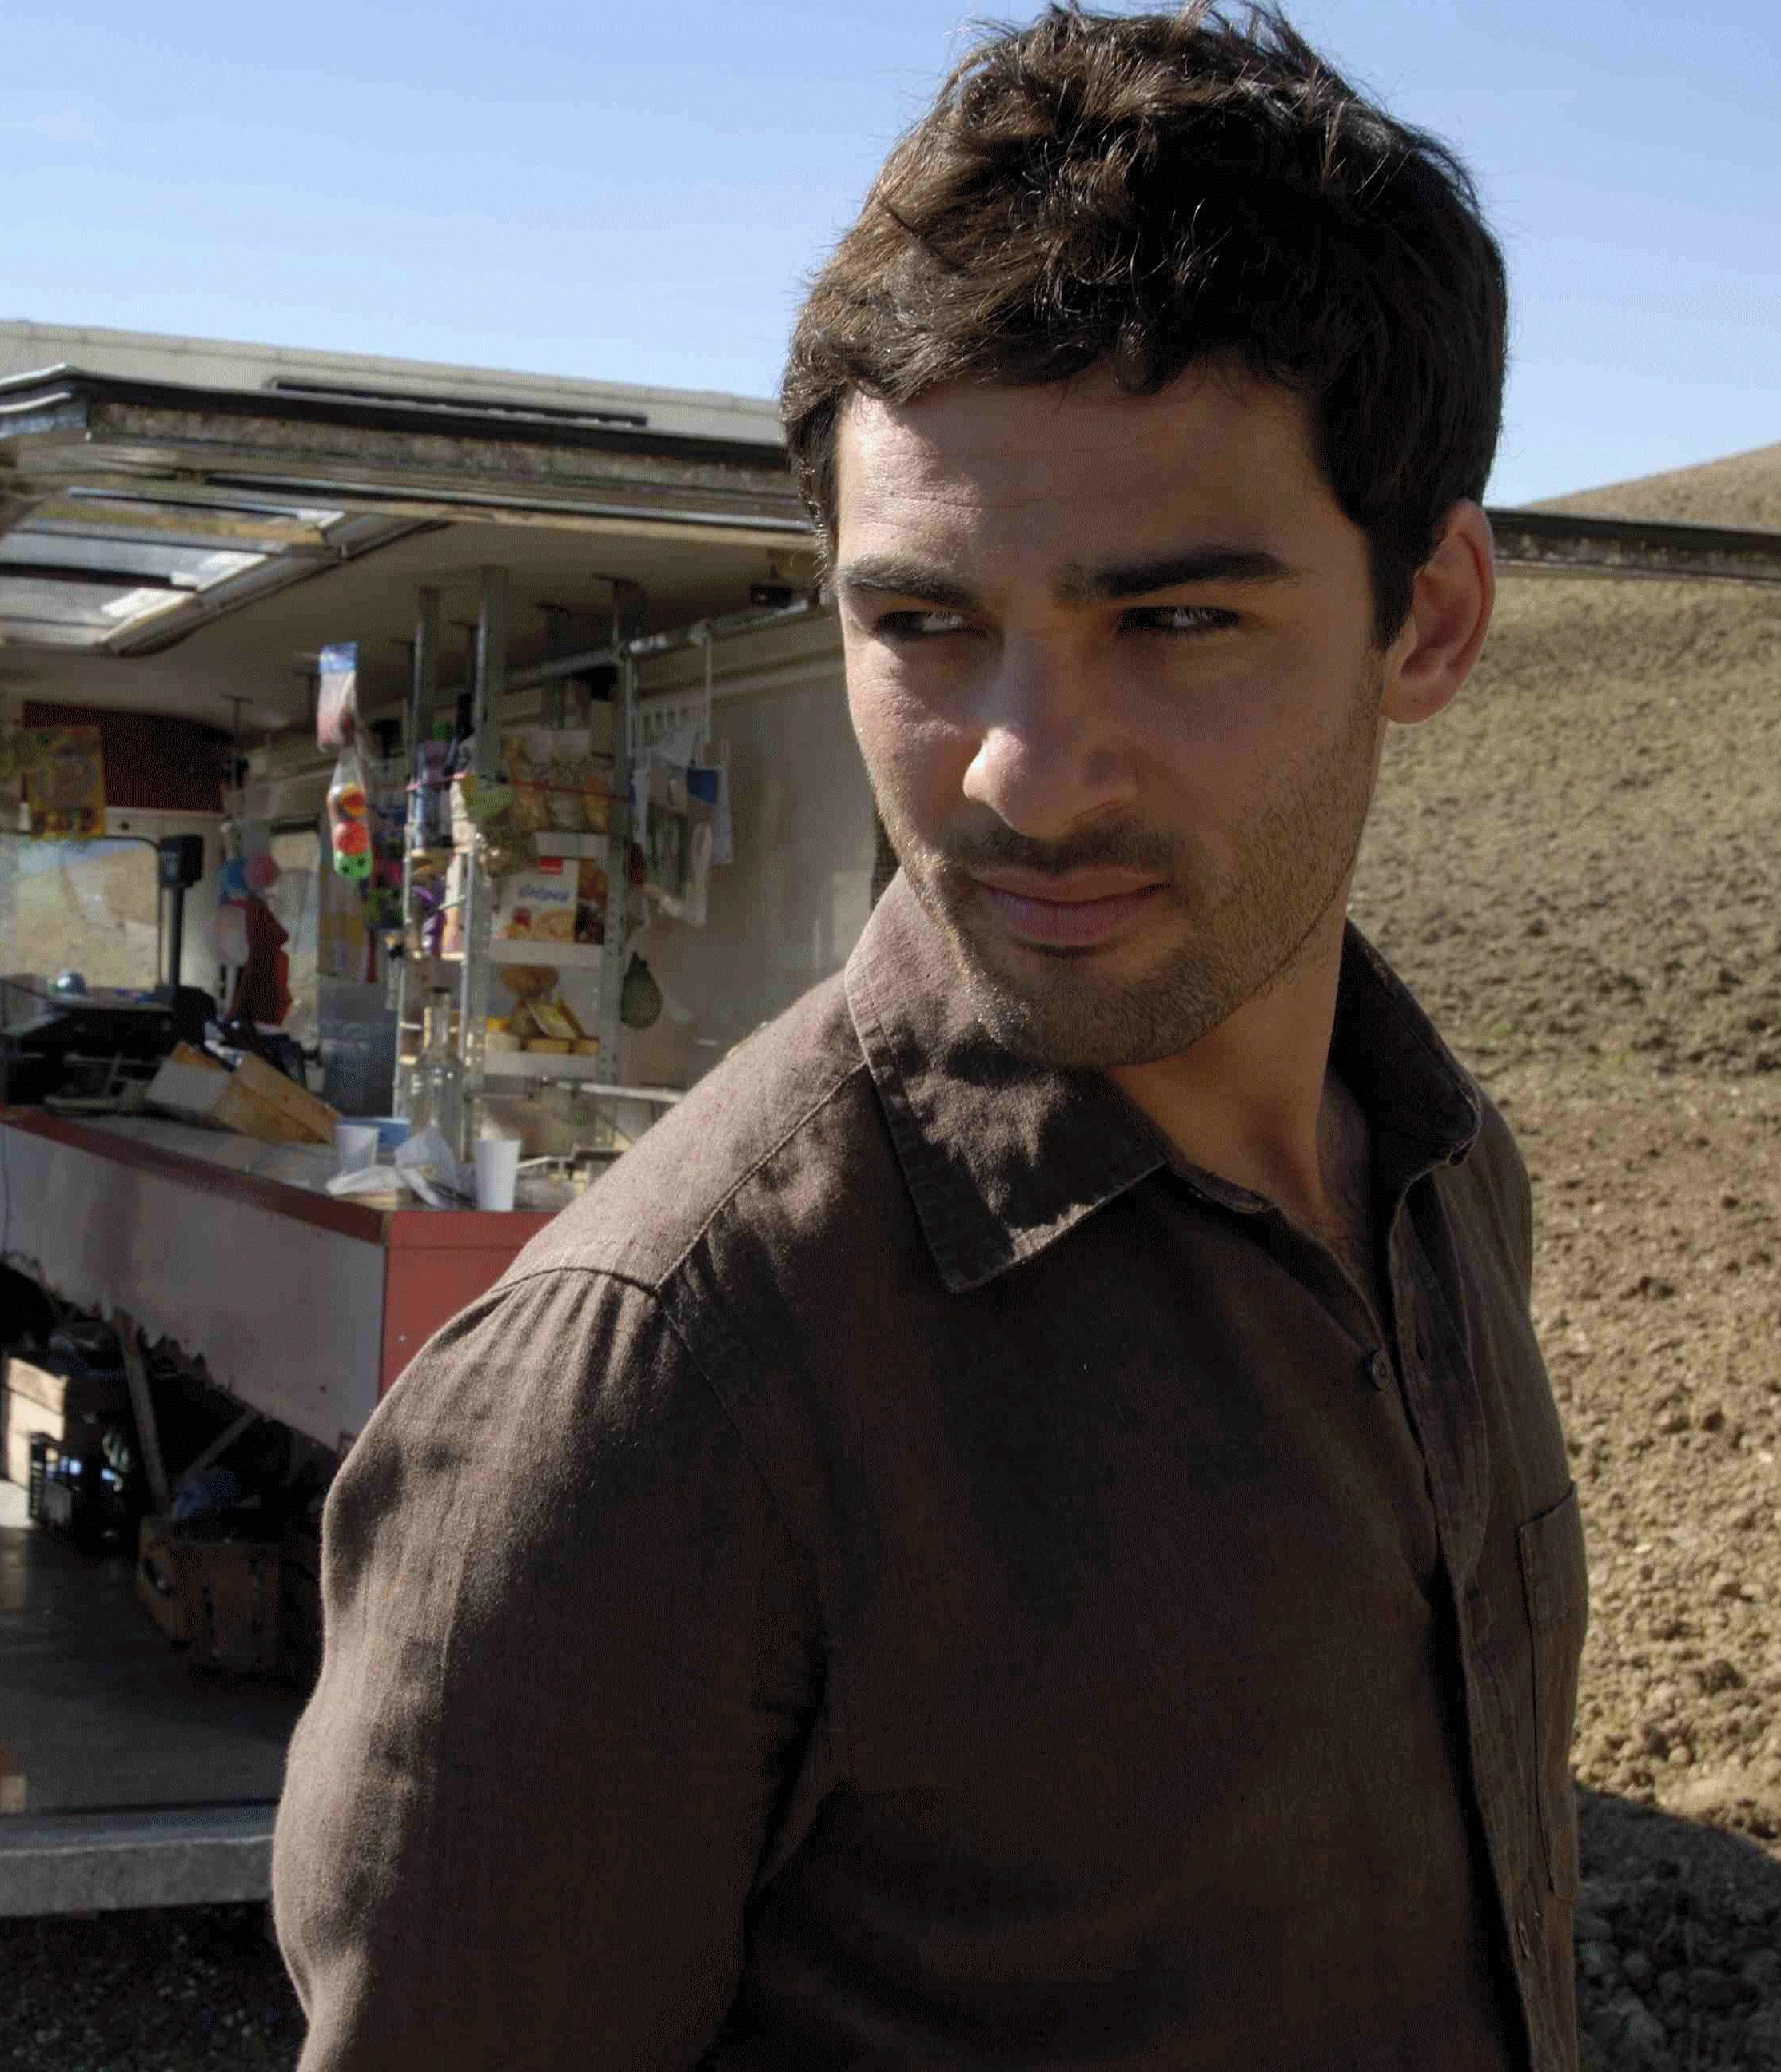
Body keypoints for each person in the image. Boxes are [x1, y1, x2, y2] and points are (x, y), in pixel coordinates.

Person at [273, 7, 1587, 2068]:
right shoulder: (647, 1404)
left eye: (1172, 622)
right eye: (920, 625)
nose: (1020, 777)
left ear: (1428, 618)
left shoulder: (1436, 1177)